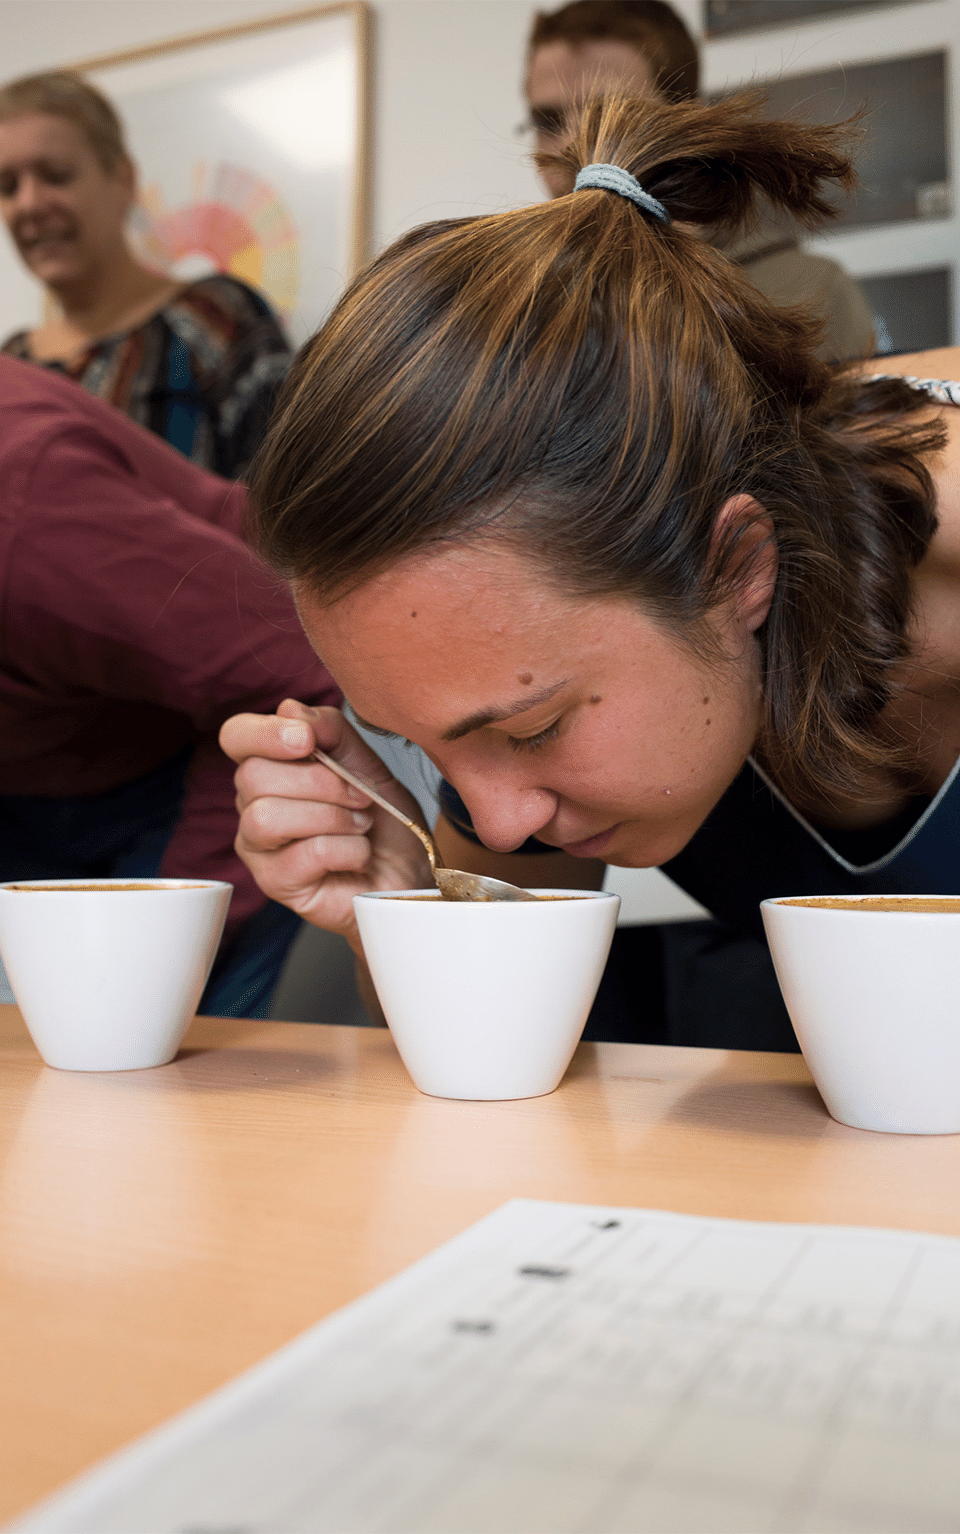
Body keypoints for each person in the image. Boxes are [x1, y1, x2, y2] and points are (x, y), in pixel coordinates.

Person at [218, 92, 959, 1049]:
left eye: (536, 730)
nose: (497, 822)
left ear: (737, 567)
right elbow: (496, 1044)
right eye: (426, 747)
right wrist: (409, 915)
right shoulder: (504, 665)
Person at [0, 353, 340, 1017]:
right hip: (35, 761)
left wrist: (175, 931)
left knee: (158, 1060)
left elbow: (286, 673)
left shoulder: (37, 521)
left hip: (200, 751)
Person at [523, 0, 877, 365]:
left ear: (689, 120)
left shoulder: (809, 295)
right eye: (549, 122)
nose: (571, 148)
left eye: (611, 116)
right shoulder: (517, 303)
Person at [0, 71, 290, 479]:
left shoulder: (217, 318)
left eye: (57, 175)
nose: (29, 204)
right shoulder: (13, 366)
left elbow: (289, 510)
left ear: (123, 179)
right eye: (7, 187)